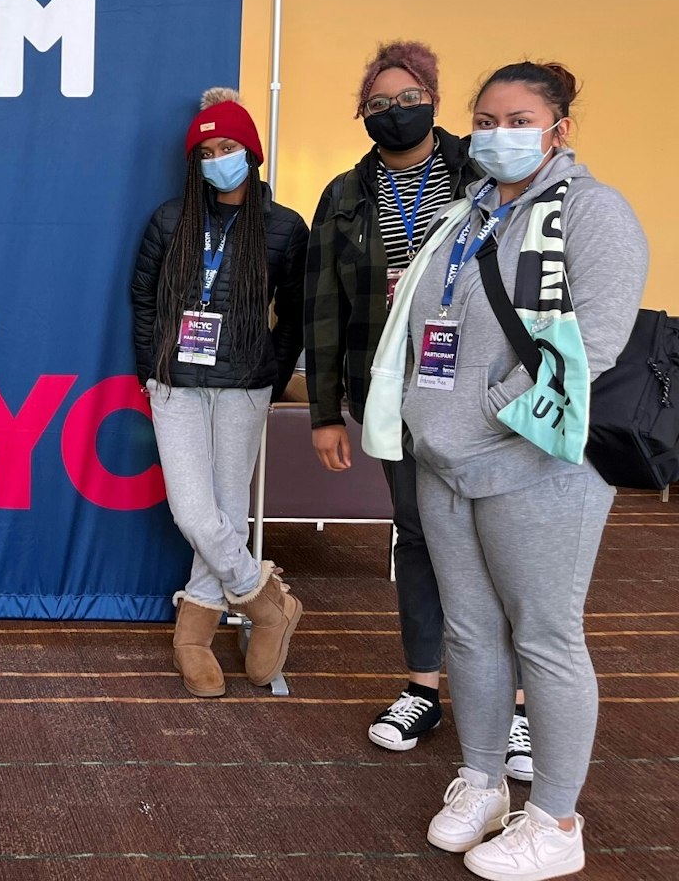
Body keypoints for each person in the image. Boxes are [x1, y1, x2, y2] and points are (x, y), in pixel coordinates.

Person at [363, 62, 646, 879]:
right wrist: (428, 416)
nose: (497, 133)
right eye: (486, 119)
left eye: (518, 118)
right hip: (444, 461)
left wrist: (490, 416)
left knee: (547, 638)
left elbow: (593, 342)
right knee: (470, 633)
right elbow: (428, 325)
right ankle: (482, 779)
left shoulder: (592, 213)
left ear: (558, 127)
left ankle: (555, 820)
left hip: (537, 464)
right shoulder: (469, 216)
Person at [303, 41, 532, 771]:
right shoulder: (343, 194)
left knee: (501, 540)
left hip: (485, 394)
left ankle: (521, 710)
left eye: (407, 99)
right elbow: (323, 311)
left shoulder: (485, 172)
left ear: (433, 99)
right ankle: (423, 688)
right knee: (420, 536)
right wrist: (324, 412)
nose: (395, 112)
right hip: (393, 393)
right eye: (378, 104)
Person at [129, 87, 309, 697]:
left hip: (243, 386)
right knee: (193, 511)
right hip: (176, 383)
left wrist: (270, 373)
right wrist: (150, 370)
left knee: (228, 510)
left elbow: (297, 312)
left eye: (228, 146)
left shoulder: (284, 227)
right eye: (206, 150)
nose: (217, 158)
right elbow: (144, 297)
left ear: (251, 152)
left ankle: (194, 635)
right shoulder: (170, 219)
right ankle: (267, 601)